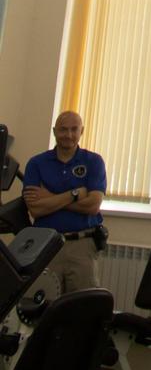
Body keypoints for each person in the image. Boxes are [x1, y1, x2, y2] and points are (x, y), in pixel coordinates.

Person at [22, 110, 107, 292]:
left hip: (82, 246)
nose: (68, 135)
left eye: (74, 129)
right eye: (63, 130)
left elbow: (93, 206)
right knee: (43, 308)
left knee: (82, 309)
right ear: (54, 132)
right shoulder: (36, 164)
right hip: (46, 247)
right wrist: (75, 194)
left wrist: (50, 198)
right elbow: (35, 210)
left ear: (81, 131)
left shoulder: (94, 162)